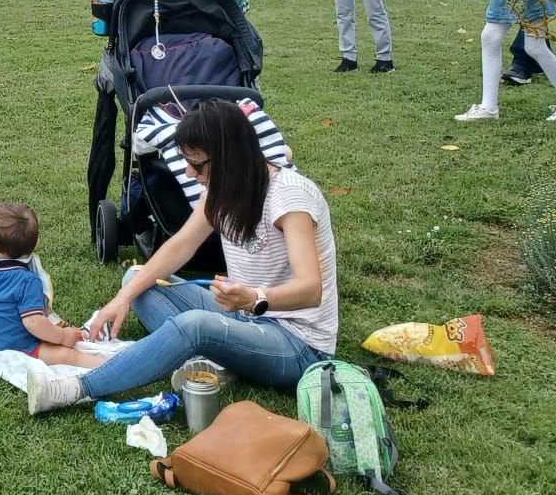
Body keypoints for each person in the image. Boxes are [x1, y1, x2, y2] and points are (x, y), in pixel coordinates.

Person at [27, 99, 338, 414]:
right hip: (245, 317)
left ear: (230, 158)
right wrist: (121, 299)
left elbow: (311, 289)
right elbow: (182, 245)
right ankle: (213, 357)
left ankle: (77, 388)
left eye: (197, 164)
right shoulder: (222, 188)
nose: (189, 173)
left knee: (195, 326)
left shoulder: (290, 197)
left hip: (299, 345)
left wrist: (252, 298)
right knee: (136, 279)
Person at [0, 202, 97, 367]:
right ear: (37, 242)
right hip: (13, 347)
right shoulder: (27, 280)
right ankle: (109, 366)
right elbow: (34, 323)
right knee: (69, 355)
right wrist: (63, 336)